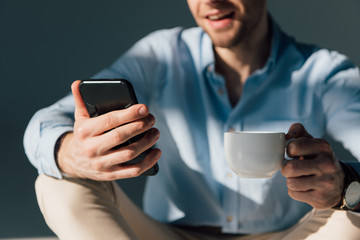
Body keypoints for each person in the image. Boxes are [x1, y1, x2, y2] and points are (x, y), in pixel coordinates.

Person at [24, 0, 360, 239]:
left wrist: (343, 182)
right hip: (163, 235)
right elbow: (45, 124)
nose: (211, 2)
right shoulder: (160, 55)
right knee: (57, 179)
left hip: (288, 236)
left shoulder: (324, 72)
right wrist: (72, 153)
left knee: (357, 204)